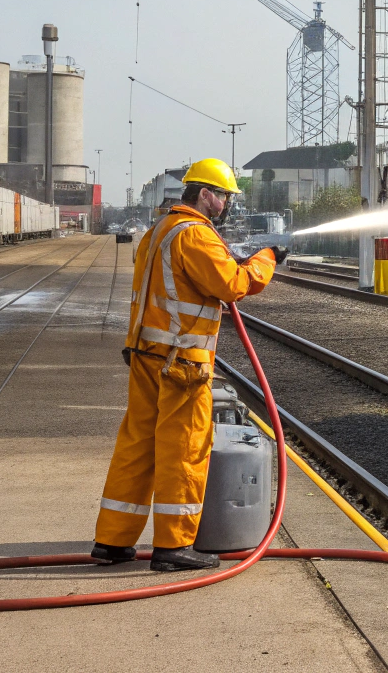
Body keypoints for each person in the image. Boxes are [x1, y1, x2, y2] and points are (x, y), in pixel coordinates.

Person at [90, 158, 285, 571]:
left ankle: (112, 540)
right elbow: (232, 285)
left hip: (146, 353)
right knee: (184, 449)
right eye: (225, 196)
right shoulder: (196, 234)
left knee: (138, 445)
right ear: (206, 194)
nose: (227, 204)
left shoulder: (160, 229)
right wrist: (266, 258)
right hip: (181, 363)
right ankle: (173, 547)